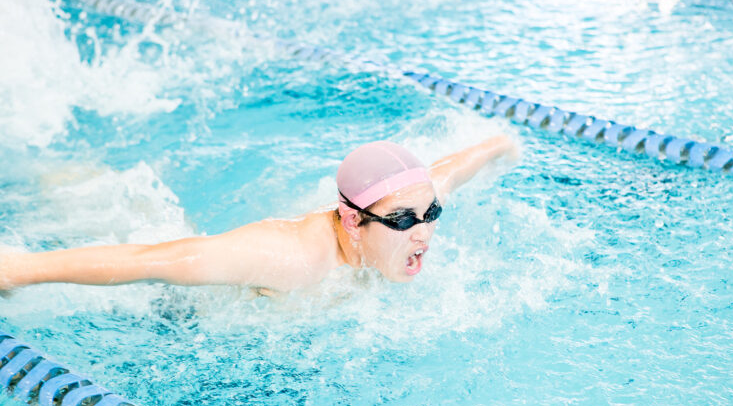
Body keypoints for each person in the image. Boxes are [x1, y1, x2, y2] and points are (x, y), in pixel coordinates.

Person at [0, 135, 518, 296]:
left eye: (431, 214)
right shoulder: (285, 258)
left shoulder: (407, 208)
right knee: (99, 205)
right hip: (172, 310)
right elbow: (155, 258)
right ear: (353, 221)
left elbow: (448, 170)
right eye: (405, 220)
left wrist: (500, 145)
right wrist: (19, 271)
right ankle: (58, 174)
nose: (424, 232)